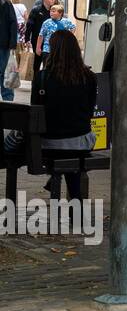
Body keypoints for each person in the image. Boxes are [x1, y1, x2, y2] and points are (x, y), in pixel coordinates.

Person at [3, 30, 98, 199]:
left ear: (53, 51)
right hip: (81, 142)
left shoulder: (43, 77)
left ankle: (55, 182)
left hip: (48, 143)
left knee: (16, 143)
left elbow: (35, 113)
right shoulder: (89, 77)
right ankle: (76, 207)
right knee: (71, 156)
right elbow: (89, 112)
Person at [26, 0, 54, 79]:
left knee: (49, 62)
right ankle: (36, 80)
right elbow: (29, 25)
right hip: (37, 39)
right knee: (37, 61)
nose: (52, 0)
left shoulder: (54, 11)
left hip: (51, 40)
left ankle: (46, 80)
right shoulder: (36, 10)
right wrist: (27, 39)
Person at [0, 0, 16, 102]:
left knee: (5, 71)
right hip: (4, 43)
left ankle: (8, 98)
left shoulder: (6, 4)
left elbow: (13, 23)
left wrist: (12, 43)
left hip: (3, 44)